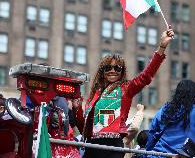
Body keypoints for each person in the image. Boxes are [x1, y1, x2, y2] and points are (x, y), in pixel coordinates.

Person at [73, 26, 174, 158]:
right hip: (92, 147)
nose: (112, 70)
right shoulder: (94, 95)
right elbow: (83, 129)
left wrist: (161, 47)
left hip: (113, 148)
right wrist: (77, 110)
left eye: (117, 68)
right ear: (102, 72)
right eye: (108, 67)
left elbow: (146, 76)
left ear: (122, 71)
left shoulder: (126, 88)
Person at [145, 79, 195, 158]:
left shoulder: (166, 109)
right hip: (183, 155)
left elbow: (153, 132)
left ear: (177, 93)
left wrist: (147, 152)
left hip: (159, 154)